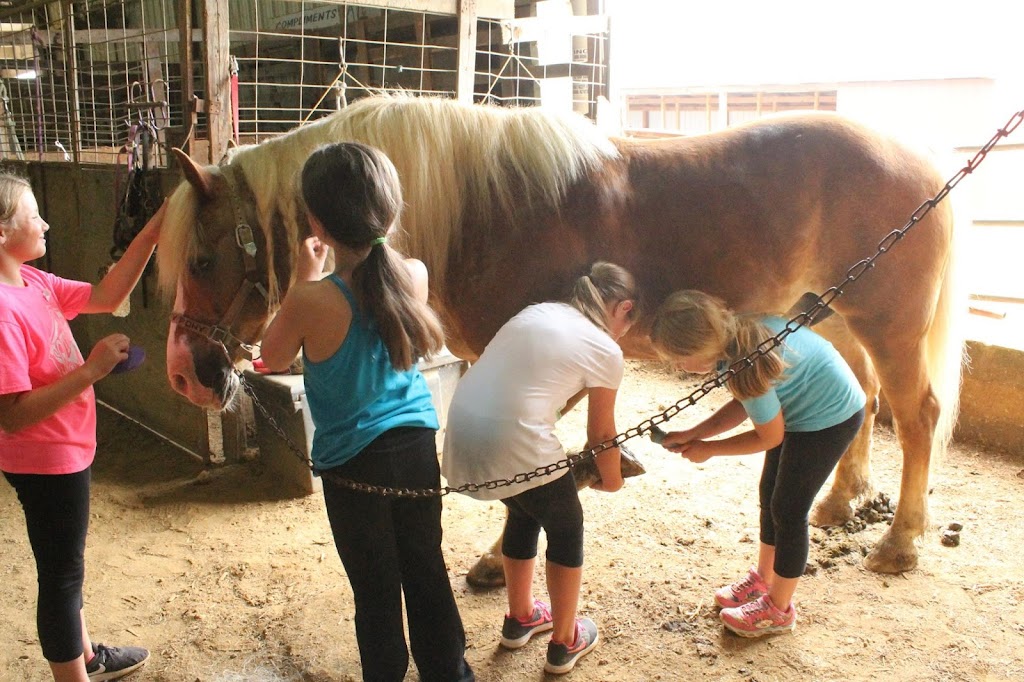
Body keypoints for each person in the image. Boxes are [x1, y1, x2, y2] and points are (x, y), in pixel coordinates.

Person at [259, 142, 474, 682]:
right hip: (415, 443)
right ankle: (449, 672)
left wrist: (304, 277)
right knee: (426, 567)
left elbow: (273, 356)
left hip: (352, 466)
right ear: (390, 208)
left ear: (317, 223)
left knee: (375, 588)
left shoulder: (309, 299)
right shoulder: (415, 275)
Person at [0, 172, 164, 681]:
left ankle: (87, 658)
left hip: (67, 448)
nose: (45, 222)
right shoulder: (2, 310)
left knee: (66, 568)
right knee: (61, 577)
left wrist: (158, 226)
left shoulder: (34, 282)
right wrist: (90, 371)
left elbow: (111, 292)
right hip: (44, 458)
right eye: (33, 216)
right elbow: (11, 414)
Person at [442, 261, 639, 674]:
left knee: (524, 507)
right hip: (513, 447)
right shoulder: (607, 350)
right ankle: (565, 641)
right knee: (567, 527)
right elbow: (602, 435)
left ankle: (520, 617)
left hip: (460, 438)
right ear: (622, 308)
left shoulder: (536, 311)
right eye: (630, 319)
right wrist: (614, 480)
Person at [649, 289, 866, 638]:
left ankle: (779, 609)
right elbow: (746, 402)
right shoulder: (737, 335)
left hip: (830, 417)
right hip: (801, 412)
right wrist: (694, 433)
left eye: (678, 359)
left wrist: (710, 449)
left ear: (699, 351)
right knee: (770, 494)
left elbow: (769, 436)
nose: (677, 367)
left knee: (789, 509)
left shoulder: (745, 361)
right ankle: (764, 580)